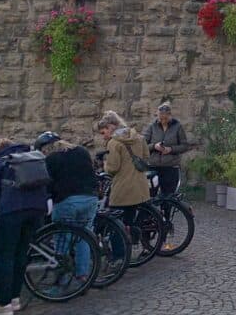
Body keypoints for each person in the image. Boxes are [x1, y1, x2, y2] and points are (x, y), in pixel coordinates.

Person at [0, 138, 48, 315]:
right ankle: (15, 299)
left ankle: (3, 305)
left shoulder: (0, 163)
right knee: (21, 254)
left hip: (12, 211)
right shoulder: (32, 157)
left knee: (6, 257)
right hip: (35, 210)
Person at [35, 132, 98, 287]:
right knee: (83, 237)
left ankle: (62, 280)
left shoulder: (51, 159)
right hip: (90, 199)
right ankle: (82, 276)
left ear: (45, 148)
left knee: (62, 239)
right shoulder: (81, 151)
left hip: (67, 201)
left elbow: (47, 184)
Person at [97, 110, 150, 252]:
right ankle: (133, 235)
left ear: (111, 127)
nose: (104, 136)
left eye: (104, 132)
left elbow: (113, 168)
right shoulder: (138, 137)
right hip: (140, 187)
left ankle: (119, 257)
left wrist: (105, 164)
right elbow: (146, 156)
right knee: (129, 218)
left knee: (115, 223)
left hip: (123, 189)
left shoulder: (114, 143)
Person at [142, 101, 190, 198]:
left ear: (170, 116)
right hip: (153, 167)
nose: (162, 120)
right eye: (160, 118)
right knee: (150, 195)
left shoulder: (177, 127)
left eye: (165, 118)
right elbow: (143, 145)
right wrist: (154, 146)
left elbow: (184, 146)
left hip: (170, 167)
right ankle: (152, 213)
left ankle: (166, 212)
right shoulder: (152, 127)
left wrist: (170, 149)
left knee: (168, 196)